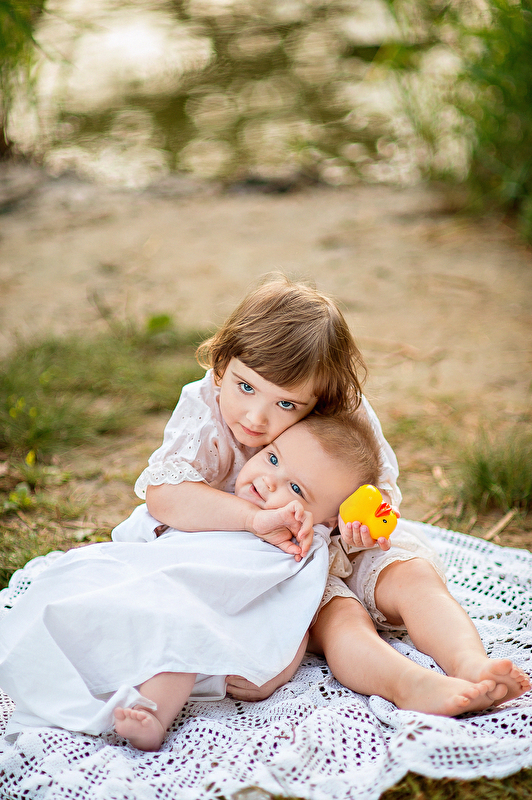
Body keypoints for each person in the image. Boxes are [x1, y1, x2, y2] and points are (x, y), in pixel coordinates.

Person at [112, 274, 530, 718]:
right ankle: (409, 685)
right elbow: (165, 493)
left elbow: (375, 490)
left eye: (286, 404)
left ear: (321, 399)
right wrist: (251, 519)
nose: (255, 417)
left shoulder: (342, 408)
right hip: (259, 553)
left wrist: (360, 524)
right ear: (221, 364)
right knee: (341, 617)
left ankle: (471, 664)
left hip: (332, 536)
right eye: (246, 386)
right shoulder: (204, 407)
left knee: (413, 576)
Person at [0, 412, 381, 752]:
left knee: (182, 647)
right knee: (82, 586)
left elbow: (294, 613)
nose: (269, 481)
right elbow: (147, 530)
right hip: (150, 585)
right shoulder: (217, 499)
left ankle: (152, 718)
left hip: (200, 620)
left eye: (295, 489)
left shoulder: (301, 549)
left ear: (327, 520)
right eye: (272, 458)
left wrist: (275, 673)